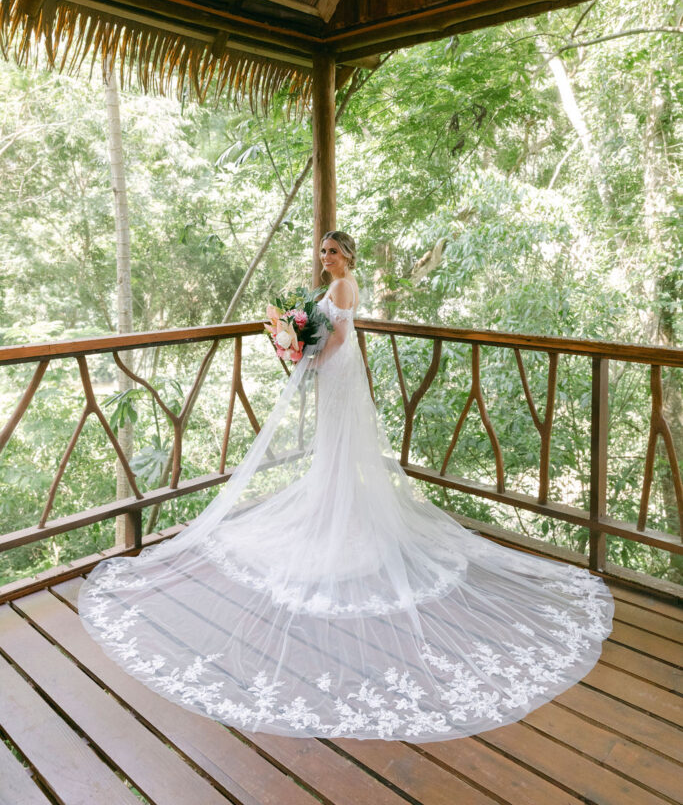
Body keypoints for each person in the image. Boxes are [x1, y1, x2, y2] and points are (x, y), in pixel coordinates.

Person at [79, 230, 614, 741]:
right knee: (333, 447)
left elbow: (334, 336)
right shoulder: (333, 286)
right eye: (322, 249)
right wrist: (297, 343)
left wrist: (305, 359)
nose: (324, 255)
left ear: (348, 257)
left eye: (332, 250)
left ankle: (337, 515)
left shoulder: (340, 286)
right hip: (338, 369)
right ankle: (332, 507)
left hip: (337, 369)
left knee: (335, 444)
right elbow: (326, 330)